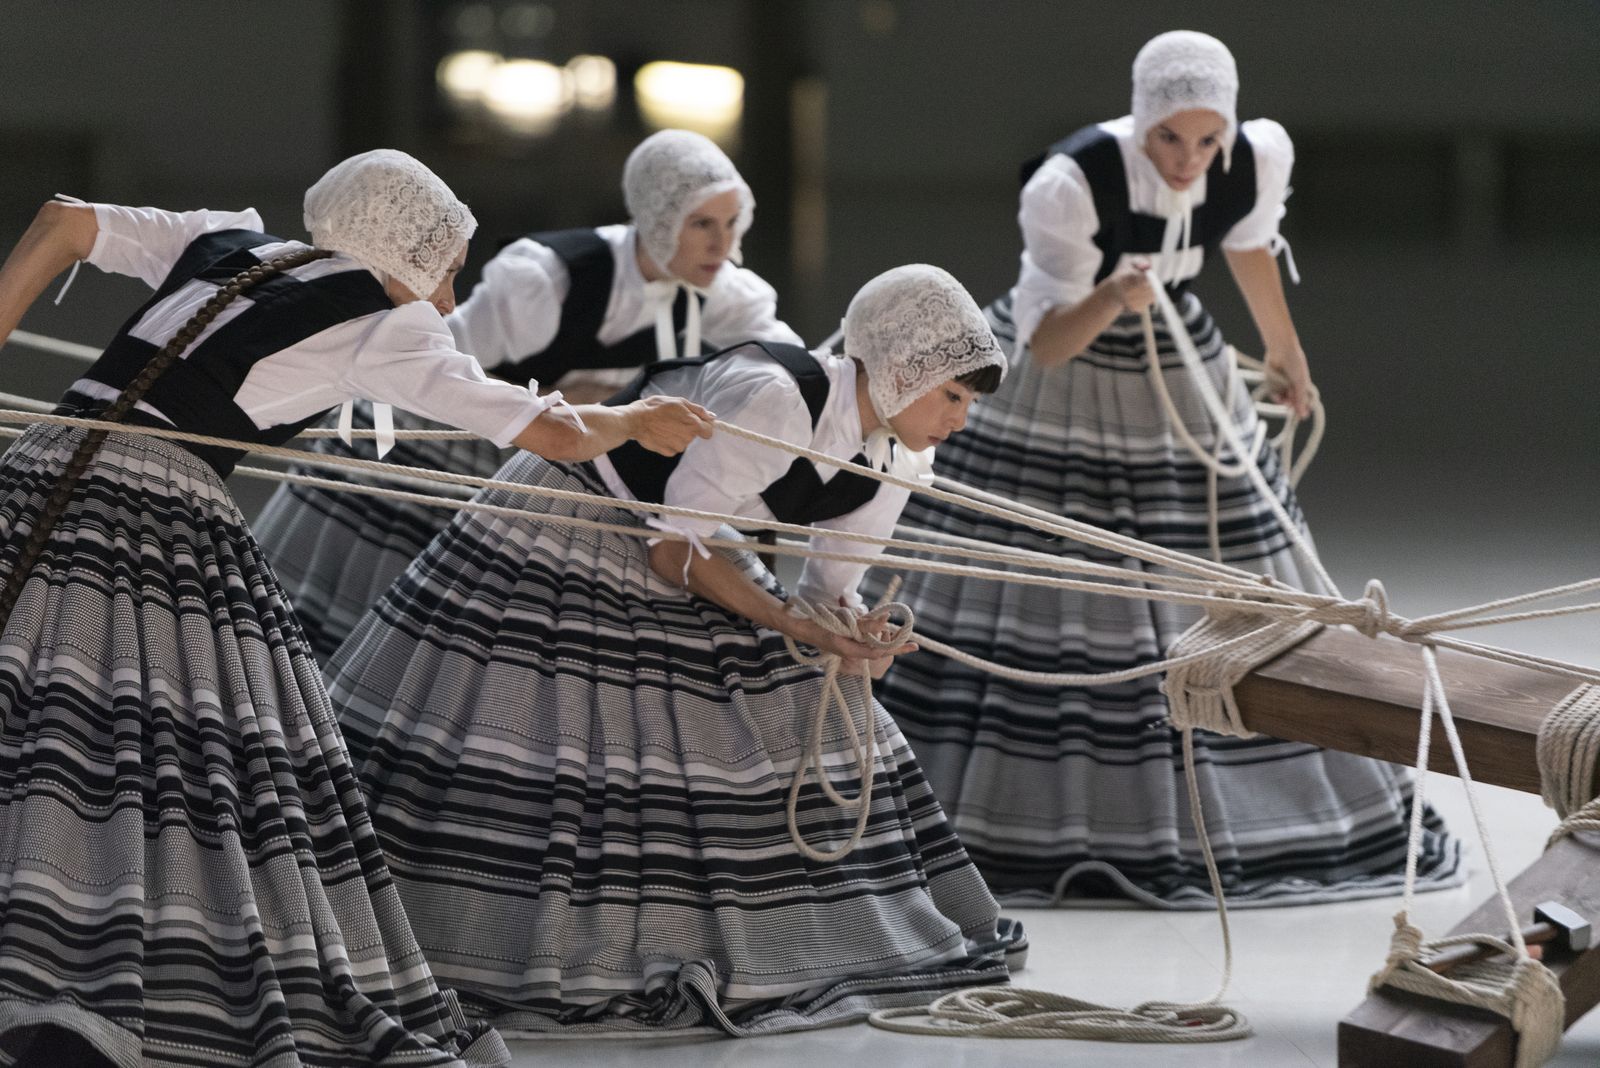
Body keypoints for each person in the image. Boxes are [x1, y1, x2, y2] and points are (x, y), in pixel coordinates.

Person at [0, 149, 710, 1067]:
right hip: (155, 510)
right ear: (406, 256)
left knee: (39, 706)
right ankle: (98, 968)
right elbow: (549, 432)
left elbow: (61, 218)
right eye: (448, 270)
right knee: (185, 753)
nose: (452, 301)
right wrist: (636, 421)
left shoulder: (230, 242)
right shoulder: (391, 322)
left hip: (43, 463)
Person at [322, 264, 1018, 1036]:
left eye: (970, 402)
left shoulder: (900, 458)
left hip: (686, 535)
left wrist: (856, 644)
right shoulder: (779, 396)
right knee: (569, 732)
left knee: (785, 710)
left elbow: (828, 592)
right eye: (952, 394)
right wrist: (797, 626)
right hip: (583, 512)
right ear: (900, 365)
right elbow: (671, 553)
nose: (960, 418)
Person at [866, 31, 1459, 907]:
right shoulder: (1072, 186)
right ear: (1141, 122)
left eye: (1207, 140)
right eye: (1169, 139)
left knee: (1224, 551)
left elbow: (1248, 245)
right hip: (1067, 377)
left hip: (1178, 360)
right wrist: (1114, 292)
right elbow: (1047, 343)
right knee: (1065, 580)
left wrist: (1284, 348)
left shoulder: (1252, 159)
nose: (1190, 160)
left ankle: (1237, 785)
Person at [253, 129, 800, 661]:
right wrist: (587, 398)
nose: (722, 244)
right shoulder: (551, 278)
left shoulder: (732, 299)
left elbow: (788, 376)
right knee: (392, 618)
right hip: (466, 451)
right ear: (660, 217)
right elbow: (433, 362)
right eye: (702, 223)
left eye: (732, 222)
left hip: (583, 477)